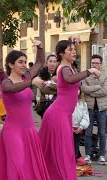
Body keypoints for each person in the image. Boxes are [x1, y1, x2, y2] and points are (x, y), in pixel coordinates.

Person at [39, 37, 101, 180]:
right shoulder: (65, 69)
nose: (74, 51)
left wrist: (72, 43)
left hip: (63, 115)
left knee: (61, 151)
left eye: (74, 50)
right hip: (57, 115)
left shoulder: (70, 67)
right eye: (70, 50)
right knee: (61, 151)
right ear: (61, 53)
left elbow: (74, 75)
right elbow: (70, 79)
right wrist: (90, 70)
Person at [0, 39, 50, 180]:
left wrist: (40, 47)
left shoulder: (26, 77)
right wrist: (30, 82)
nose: (24, 65)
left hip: (29, 130)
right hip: (13, 131)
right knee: (17, 165)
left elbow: (39, 62)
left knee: (29, 166)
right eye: (20, 62)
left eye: (25, 62)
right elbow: (11, 89)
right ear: (11, 64)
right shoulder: (7, 82)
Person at [82, 54, 107, 165]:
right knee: (88, 132)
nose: (94, 65)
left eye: (97, 63)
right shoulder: (86, 74)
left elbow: (105, 91)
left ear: (101, 64)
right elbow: (83, 88)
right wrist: (98, 86)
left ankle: (102, 155)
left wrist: (91, 90)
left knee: (102, 133)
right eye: (93, 63)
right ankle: (87, 155)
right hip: (89, 108)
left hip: (102, 108)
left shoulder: (105, 74)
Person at [72, 88, 89, 166]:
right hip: (68, 128)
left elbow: (86, 117)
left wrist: (81, 127)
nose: (76, 91)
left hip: (78, 129)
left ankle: (73, 163)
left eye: (78, 89)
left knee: (75, 147)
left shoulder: (83, 104)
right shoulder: (67, 102)